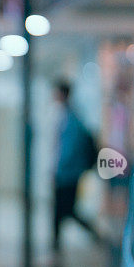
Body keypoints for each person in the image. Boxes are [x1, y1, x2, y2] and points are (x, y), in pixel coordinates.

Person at [51, 82, 100, 252]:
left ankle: (56, 245)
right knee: (65, 211)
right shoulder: (70, 115)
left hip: (67, 173)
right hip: (68, 172)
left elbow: (68, 150)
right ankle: (56, 244)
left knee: (64, 211)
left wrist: (58, 169)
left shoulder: (70, 118)